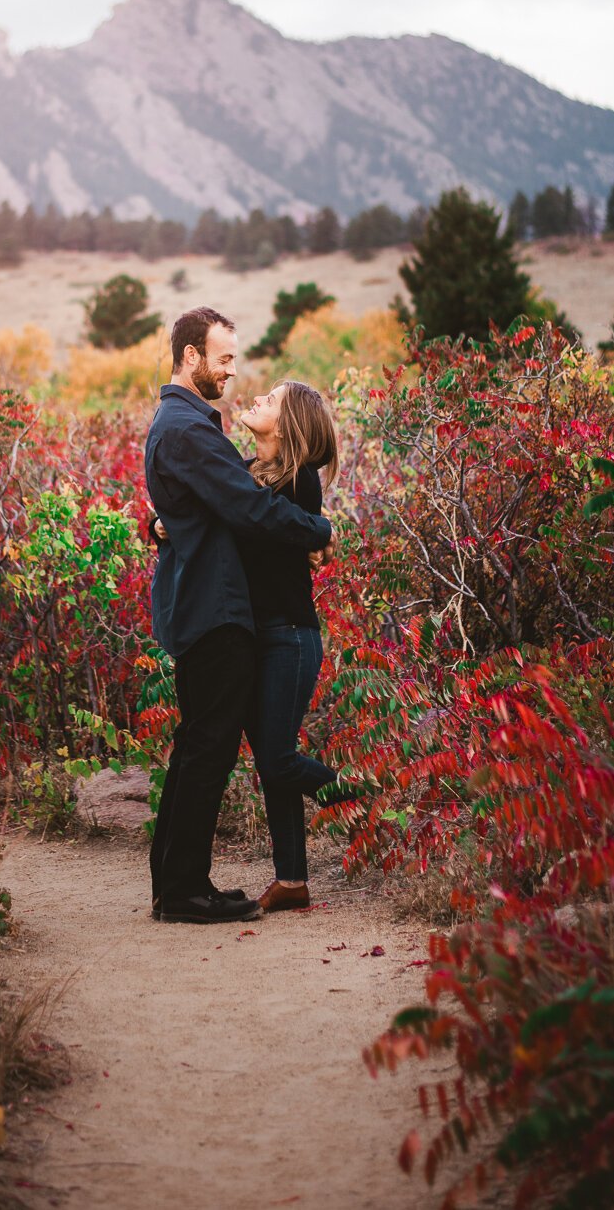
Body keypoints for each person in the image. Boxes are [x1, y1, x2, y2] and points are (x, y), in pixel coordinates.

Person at [145, 308, 332, 925]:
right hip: (212, 609)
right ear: (191, 357)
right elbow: (249, 507)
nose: (232, 371)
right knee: (209, 749)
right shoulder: (189, 430)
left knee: (198, 745)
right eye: (223, 358)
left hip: (207, 605)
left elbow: (217, 506)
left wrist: (162, 524)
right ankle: (184, 891)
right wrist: (316, 530)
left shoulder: (186, 426)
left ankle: (174, 883)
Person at [237, 382, 355, 913]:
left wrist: (320, 529)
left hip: (290, 636)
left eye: (272, 398)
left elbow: (266, 518)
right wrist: (159, 524)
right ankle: (292, 880)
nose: (258, 397)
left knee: (279, 758)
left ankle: (365, 803)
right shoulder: (248, 473)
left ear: (287, 426)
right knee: (271, 757)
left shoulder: (299, 482)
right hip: (259, 636)